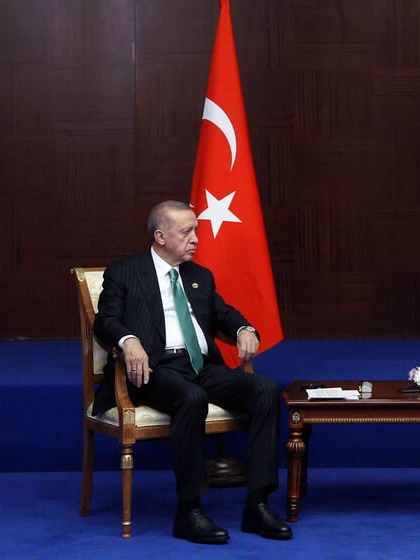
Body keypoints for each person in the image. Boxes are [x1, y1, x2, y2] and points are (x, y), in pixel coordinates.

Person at [92, 200, 291, 543]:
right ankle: (189, 510)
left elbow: (224, 314)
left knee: (265, 389)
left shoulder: (200, 276)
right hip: (153, 370)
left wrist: (244, 328)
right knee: (191, 397)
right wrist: (128, 340)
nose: (196, 238)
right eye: (187, 231)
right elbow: (104, 321)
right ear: (160, 236)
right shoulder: (124, 272)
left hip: (200, 366)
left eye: (196, 229)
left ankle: (257, 505)